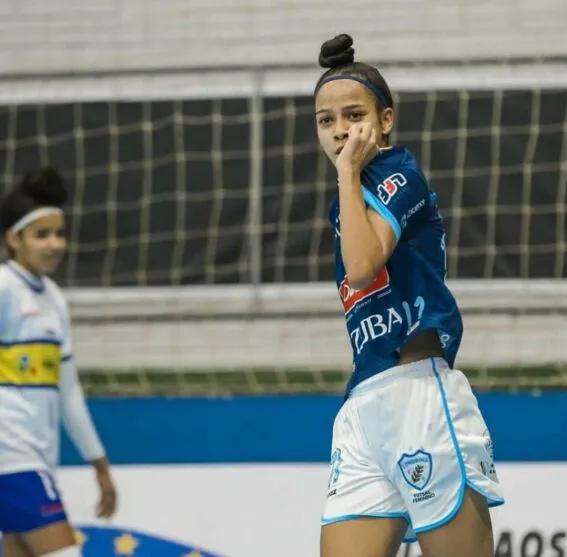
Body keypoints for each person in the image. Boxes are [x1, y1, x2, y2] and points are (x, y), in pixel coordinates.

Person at [316, 34, 504, 557]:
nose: (338, 131)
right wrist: (348, 180)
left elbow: (362, 266)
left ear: (386, 120)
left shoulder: (401, 173)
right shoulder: (346, 196)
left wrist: (348, 172)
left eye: (352, 115)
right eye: (325, 120)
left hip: (420, 396)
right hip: (363, 405)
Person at [0, 168, 117, 557]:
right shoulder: (3, 288)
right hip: (11, 457)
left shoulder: (53, 298)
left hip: (37, 458)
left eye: (59, 233)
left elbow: (68, 393)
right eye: (41, 235)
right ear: (14, 239)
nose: (54, 244)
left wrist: (98, 463)